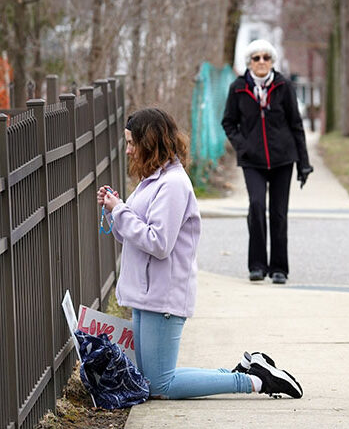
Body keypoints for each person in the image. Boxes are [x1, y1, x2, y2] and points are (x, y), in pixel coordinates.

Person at [96, 107, 302, 399]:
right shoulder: (151, 180)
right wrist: (113, 211)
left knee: (159, 385)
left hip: (162, 296)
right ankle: (247, 371)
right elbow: (131, 235)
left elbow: (158, 242)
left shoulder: (173, 185)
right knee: (151, 380)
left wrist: (120, 210)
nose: (128, 151)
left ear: (150, 144)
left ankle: (256, 381)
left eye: (132, 143)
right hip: (145, 293)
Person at [222, 39, 313, 285]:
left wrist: (304, 162)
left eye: (266, 57)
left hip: (283, 159)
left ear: (272, 61)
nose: (262, 62)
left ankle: (279, 268)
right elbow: (228, 122)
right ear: (249, 62)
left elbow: (296, 124)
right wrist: (243, 145)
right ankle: (257, 265)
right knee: (257, 206)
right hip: (253, 161)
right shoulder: (238, 88)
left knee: (279, 213)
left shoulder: (284, 86)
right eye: (256, 58)